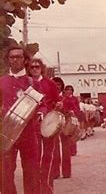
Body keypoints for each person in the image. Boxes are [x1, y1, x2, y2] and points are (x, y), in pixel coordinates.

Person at [1, 46, 41, 193]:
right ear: (8, 60)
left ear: (25, 60)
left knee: (31, 172)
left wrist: (41, 113)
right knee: (5, 172)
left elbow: (42, 105)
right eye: (12, 57)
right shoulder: (2, 82)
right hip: (7, 132)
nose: (15, 60)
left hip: (28, 133)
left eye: (18, 57)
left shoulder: (33, 82)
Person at [28, 58, 62, 194]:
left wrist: (60, 104)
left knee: (48, 155)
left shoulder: (50, 83)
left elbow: (58, 99)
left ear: (42, 68)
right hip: (33, 124)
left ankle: (47, 186)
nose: (35, 69)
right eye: (32, 67)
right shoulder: (27, 83)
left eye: (37, 66)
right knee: (34, 156)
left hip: (49, 124)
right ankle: (37, 186)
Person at [52, 84, 80, 179]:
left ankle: (66, 172)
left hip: (66, 122)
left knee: (66, 148)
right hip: (56, 123)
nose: (68, 91)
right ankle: (55, 172)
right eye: (67, 90)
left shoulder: (71, 99)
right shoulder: (56, 97)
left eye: (70, 90)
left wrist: (72, 111)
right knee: (55, 149)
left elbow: (77, 109)